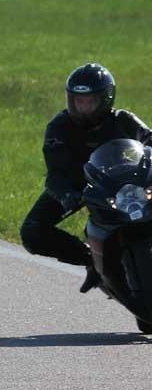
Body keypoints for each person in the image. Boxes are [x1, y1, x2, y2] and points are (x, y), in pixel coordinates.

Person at [21, 63, 152, 292]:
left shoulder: (123, 119)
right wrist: (66, 195)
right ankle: (92, 260)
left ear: (105, 98)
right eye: (77, 101)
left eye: (89, 101)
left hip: (118, 182)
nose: (82, 107)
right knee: (32, 231)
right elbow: (55, 176)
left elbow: (149, 140)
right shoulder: (58, 127)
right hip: (77, 185)